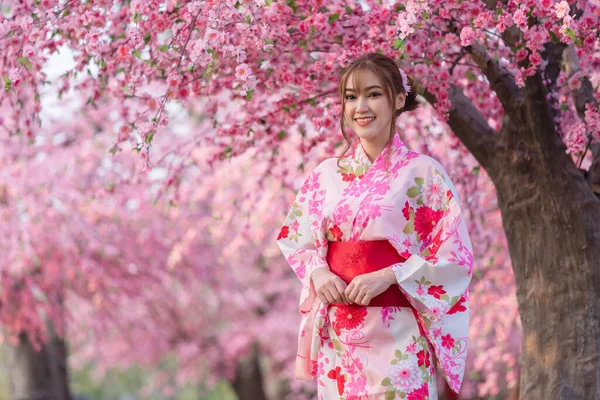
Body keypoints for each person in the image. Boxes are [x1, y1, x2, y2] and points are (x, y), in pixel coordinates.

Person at [277, 53, 473, 399]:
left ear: (398, 99)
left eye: (373, 94)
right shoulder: (325, 175)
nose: (360, 107)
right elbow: (297, 239)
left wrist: (391, 274)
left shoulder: (424, 173)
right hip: (339, 332)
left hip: (399, 334)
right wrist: (318, 273)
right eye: (350, 97)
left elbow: (456, 260)